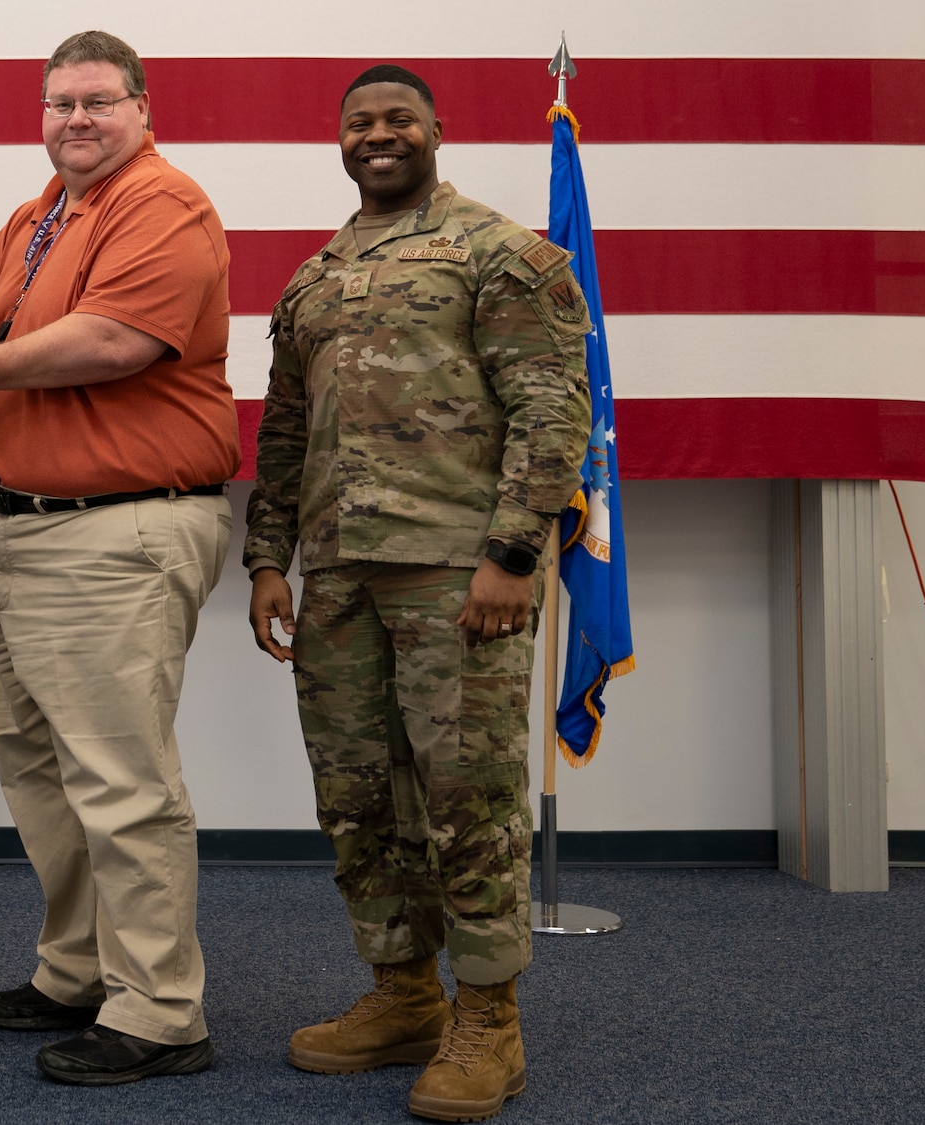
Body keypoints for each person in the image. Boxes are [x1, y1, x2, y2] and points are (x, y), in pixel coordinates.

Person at [0, 30, 238, 1087]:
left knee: (120, 782)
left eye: (97, 101)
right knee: (40, 771)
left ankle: (161, 1012)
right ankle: (78, 968)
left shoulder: (160, 205)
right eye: (59, 103)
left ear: (141, 108)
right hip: (27, 529)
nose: (76, 120)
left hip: (119, 531)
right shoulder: (34, 219)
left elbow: (110, 342)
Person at [243, 65, 592, 1122]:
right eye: (359, 123)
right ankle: (399, 992)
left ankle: (488, 1019)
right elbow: (284, 432)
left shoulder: (499, 252)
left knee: (466, 799)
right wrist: (266, 558)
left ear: (434, 131)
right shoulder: (310, 279)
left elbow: (549, 409)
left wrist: (513, 555)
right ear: (338, 141)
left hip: (455, 573)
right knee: (359, 797)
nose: (378, 135)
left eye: (398, 119)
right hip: (336, 573)